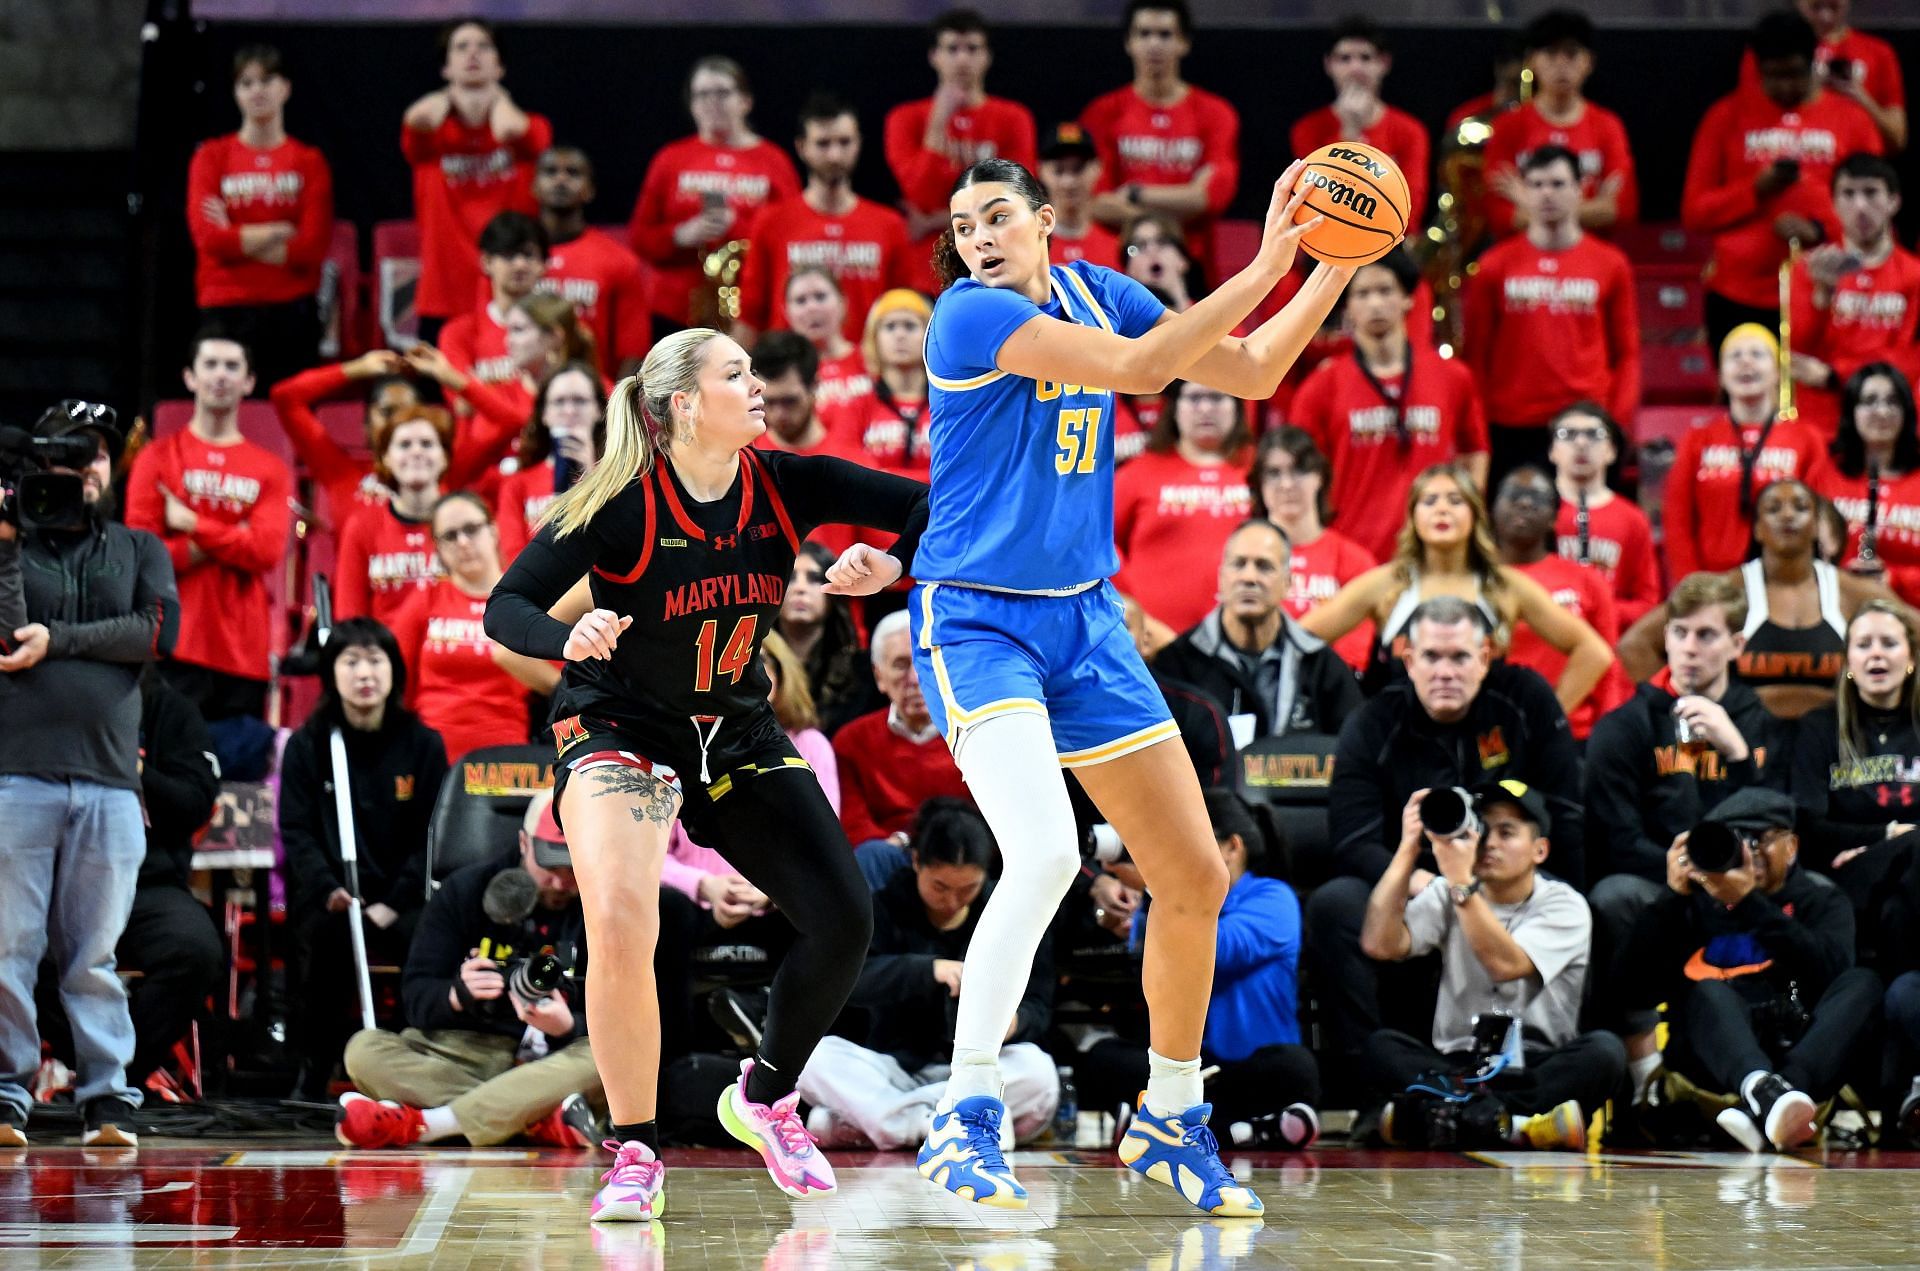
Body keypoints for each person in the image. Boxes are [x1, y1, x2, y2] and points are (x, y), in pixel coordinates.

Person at [885, 152, 1353, 1217]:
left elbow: (1252, 372)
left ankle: (1172, 1113)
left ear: (1046, 219)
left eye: (998, 216)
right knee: (1047, 849)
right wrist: (1272, 254)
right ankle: (965, 1112)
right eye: (962, 226)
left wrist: (1331, 266)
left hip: (1087, 622)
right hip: (977, 618)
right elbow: (1145, 373)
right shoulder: (965, 317)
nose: (979, 237)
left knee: (1193, 874)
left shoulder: (1101, 289)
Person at [483, 328, 932, 1221]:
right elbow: (505, 605)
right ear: (683, 403)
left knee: (845, 917)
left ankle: (763, 1096)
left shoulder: (786, 482)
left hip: (732, 728)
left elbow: (933, 501)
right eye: (738, 373)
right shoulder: (620, 505)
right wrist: (564, 635)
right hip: (620, 727)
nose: (760, 386)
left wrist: (894, 563)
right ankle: (636, 1147)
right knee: (620, 913)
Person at [0, 401, 178, 1149]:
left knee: (94, 950)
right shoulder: (13, 546)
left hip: (108, 779)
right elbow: (7, 639)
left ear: (111, 467)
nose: (81, 471)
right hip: (18, 772)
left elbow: (154, 630)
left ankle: (107, 1093)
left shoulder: (140, 546)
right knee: (7, 945)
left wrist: (60, 640)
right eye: (65, 459)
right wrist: (7, 545)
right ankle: (8, 1091)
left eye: (96, 455)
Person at [1305, 600, 1586, 1072]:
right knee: (1335, 903)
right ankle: (1372, 1084)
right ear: (1408, 659)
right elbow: (1353, 839)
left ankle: (1536, 1058)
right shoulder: (1373, 722)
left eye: (1459, 657)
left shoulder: (1525, 700)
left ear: (1486, 656)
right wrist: (1421, 877)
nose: (1445, 672)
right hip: (1419, 875)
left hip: (1513, 873)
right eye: (1432, 657)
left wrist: (1531, 884)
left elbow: (1567, 813)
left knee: (1588, 902)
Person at [1585, 572, 1784, 1098]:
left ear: (1737, 644)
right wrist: (1687, 876)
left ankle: (1801, 1065)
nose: (1689, 649)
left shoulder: (1760, 724)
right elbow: (1616, 838)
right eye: (1679, 633)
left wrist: (1738, 755)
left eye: (1706, 635)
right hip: (1660, 886)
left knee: (1823, 898)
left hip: (1743, 886)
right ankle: (1643, 1074)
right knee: (1614, 896)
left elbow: (1778, 823)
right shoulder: (1626, 725)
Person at [1360, 780, 1623, 1150]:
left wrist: (1461, 883)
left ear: (1540, 850)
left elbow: (1506, 964)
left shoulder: (1565, 904)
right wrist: (1407, 849)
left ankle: (1442, 1118)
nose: (1491, 843)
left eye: (1507, 832)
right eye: (1484, 829)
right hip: (1457, 1066)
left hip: (1533, 1065)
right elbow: (1379, 944)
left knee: (1604, 1053)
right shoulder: (1449, 889)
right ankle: (1515, 1126)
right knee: (1381, 1046)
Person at [336, 790, 600, 1150]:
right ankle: (534, 1118)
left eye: (571, 869)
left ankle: (426, 1124)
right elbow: (415, 997)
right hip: (460, 1054)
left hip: (552, 1062)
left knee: (604, 1061)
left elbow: (623, 1017)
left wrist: (568, 1026)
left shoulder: (600, 903)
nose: (560, 882)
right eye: (550, 866)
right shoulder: (465, 890)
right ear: (524, 843)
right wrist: (456, 995)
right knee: (363, 1050)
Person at [1620, 788, 1879, 1153]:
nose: (1748, 853)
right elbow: (1633, 991)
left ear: (1791, 847)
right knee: (1706, 990)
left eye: (1759, 840)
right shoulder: (1691, 905)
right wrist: (1671, 898)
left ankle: (1772, 1096)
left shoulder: (1820, 899)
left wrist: (1750, 904)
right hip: (1714, 1059)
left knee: (1862, 982)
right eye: (1736, 840)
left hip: (1796, 1051)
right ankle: (1766, 1094)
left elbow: (1829, 974)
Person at [798, 799, 1059, 1150]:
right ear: (917, 861)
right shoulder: (882, 906)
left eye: (967, 889)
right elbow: (850, 982)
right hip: (892, 1069)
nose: (952, 900)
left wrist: (1014, 1022)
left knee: (1038, 1071)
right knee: (815, 1057)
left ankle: (886, 1125)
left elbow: (1039, 1003)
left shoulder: (1006, 915)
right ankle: (953, 1125)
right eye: (940, 887)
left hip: (977, 1072)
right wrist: (928, 970)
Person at [1077, 790, 1321, 1149]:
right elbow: (1152, 961)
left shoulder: (1273, 897)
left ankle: (1165, 1126)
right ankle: (1243, 1132)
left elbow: (1210, 950)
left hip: (1244, 1065)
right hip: (1182, 1065)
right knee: (1101, 1060)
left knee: (1295, 1068)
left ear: (1232, 847)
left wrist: (1157, 886)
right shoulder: (1167, 900)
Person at [279, 617, 447, 1100]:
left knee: (428, 940)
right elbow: (297, 831)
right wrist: (329, 889)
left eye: (375, 660)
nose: (364, 673)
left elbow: (430, 838)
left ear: (394, 669)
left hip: (400, 896)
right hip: (334, 895)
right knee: (320, 941)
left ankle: (416, 1065)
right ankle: (313, 1070)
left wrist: (392, 902)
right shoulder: (308, 745)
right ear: (332, 673)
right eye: (351, 662)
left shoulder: (423, 745)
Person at [1299, 464, 1614, 713]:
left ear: (1475, 515)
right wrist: (1343, 712)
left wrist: (1546, 720)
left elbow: (1594, 653)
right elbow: (1296, 641)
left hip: (1484, 750)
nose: (1442, 510)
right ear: (1412, 516)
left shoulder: (1505, 586)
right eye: (1430, 501)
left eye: (1455, 500)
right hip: (1400, 748)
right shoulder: (1385, 584)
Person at [1683, 10, 1881, 352]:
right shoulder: (1724, 117)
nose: (1784, 87)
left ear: (1813, 61)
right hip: (1738, 294)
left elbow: (1876, 212)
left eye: (1794, 74)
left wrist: (1819, 232)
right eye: (1772, 77)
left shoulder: (1852, 121)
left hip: (1828, 291)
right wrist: (1755, 190)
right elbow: (1695, 212)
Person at [1624, 477, 1900, 721]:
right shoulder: (1728, 589)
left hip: (1831, 748)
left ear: (1817, 525)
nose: (1788, 515)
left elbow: (1912, 638)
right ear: (1757, 528)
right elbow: (1635, 646)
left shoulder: (1851, 592)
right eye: (1773, 508)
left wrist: (1892, 707)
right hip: (1744, 746)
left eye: (1801, 507)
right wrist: (1679, 706)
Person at [125, 333, 293, 722]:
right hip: (174, 645)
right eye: (211, 365)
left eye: (233, 366)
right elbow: (144, 556)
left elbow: (266, 552)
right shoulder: (156, 458)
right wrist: (230, 536)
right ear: (190, 377)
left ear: (249, 382)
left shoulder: (270, 468)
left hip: (243, 653)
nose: (221, 375)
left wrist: (191, 524)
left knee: (238, 778)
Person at [1288, 247, 1489, 562]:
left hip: (1434, 554)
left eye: (1385, 290)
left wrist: (1467, 511)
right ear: (1347, 307)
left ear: (1408, 298)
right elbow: (1298, 471)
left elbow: (1474, 449)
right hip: (1352, 552)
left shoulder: (1452, 377)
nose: (1376, 304)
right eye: (1363, 294)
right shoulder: (1320, 388)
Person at [1462, 145, 1639, 484]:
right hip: (1511, 427)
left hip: (1585, 425)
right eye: (1536, 184)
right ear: (1523, 193)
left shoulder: (1611, 264)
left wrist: (1616, 423)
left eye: (1557, 184)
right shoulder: (1492, 266)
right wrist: (1477, 431)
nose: (1546, 194)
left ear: (1579, 189)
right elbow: (1476, 357)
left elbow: (1628, 354)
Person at [185, 44, 333, 388]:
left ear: (285, 88)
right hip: (225, 308)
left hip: (292, 311)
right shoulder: (212, 156)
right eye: (246, 83)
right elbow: (209, 240)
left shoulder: (308, 161)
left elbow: (310, 248)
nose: (257, 91)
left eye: (266, 80)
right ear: (236, 93)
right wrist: (279, 230)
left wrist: (237, 235)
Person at [400, 18, 551, 343]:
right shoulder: (433, 135)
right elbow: (418, 117)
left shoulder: (532, 126)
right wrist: (451, 95)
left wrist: (495, 98)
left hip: (510, 292)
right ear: (445, 67)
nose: (473, 54)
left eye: (484, 46)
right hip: (443, 294)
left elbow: (508, 130)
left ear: (500, 66)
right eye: (461, 47)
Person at [627, 56, 801, 329]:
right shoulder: (670, 159)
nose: (712, 102)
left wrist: (739, 228)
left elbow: (792, 238)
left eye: (722, 93)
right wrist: (679, 235)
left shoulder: (773, 160)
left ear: (745, 101)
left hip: (749, 311)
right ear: (691, 105)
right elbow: (639, 237)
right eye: (702, 94)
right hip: (677, 309)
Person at [1153, 519, 1362, 742]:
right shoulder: (1176, 666)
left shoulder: (1322, 667)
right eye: (1239, 564)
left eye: (1264, 566)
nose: (1249, 577)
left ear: (1287, 583)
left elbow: (1355, 752)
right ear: (1221, 578)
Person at [734, 94, 915, 345]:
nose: (834, 155)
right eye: (823, 143)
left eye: (844, 142)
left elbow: (904, 310)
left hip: (866, 377)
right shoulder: (771, 221)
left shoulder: (890, 225)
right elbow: (751, 314)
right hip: (791, 374)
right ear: (801, 147)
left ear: (859, 143)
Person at [1789, 601, 1920, 948]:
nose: (1876, 654)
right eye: (1864, 645)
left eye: (1888, 644)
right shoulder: (1819, 729)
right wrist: (1887, 835)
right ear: (1849, 662)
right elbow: (1807, 825)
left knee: (1900, 905)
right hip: (1847, 876)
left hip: (1911, 887)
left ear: (1911, 659)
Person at [389, 493, 558, 756]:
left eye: (471, 529)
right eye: (450, 536)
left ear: (492, 531)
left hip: (506, 754)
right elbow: (396, 678)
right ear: (439, 548)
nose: (463, 542)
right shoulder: (426, 598)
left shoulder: (526, 601)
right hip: (431, 752)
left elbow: (558, 682)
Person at [118, 669, 223, 1092]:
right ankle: (93, 1068)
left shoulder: (171, 708)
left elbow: (196, 802)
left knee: (196, 950)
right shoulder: (39, 699)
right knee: (16, 950)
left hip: (149, 882)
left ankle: (121, 1075)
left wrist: (136, 768)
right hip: (59, 881)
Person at [1080, 1, 1239, 278]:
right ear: (1129, 43)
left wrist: (1134, 193)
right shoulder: (1102, 113)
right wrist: (1169, 215)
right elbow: (1095, 202)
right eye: (1144, 34)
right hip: (1121, 263)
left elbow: (1209, 197)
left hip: (1194, 265)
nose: (1154, 44)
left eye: (1165, 34)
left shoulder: (1216, 113)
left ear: (1184, 43)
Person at [885, 9, 1037, 293]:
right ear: (934, 55)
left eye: (972, 49)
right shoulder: (904, 118)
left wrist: (932, 220)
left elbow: (1016, 198)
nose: (963, 59)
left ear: (987, 56)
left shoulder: (1014, 118)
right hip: (926, 273)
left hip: (997, 266)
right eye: (952, 49)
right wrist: (938, 121)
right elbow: (921, 193)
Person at [1663, 325, 1826, 578]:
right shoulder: (1697, 440)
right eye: (1734, 356)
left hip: (1783, 580)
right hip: (1713, 583)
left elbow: (1819, 518)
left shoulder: (1807, 439)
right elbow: (1677, 522)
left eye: (1758, 354)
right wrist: (1693, 584)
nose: (1745, 362)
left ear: (1777, 372)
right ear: (1721, 375)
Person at [833, 611, 972, 888]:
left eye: (925, 662)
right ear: (879, 676)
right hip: (887, 863)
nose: (915, 678)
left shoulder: (976, 735)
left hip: (961, 859)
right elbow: (854, 826)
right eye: (900, 665)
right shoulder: (851, 741)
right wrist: (905, 845)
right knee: (871, 857)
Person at [1788, 156, 1920, 437]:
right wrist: (1821, 296)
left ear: (1894, 201)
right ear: (1834, 204)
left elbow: (1908, 357)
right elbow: (1799, 350)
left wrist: (1834, 375)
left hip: (1890, 419)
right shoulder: (1807, 268)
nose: (1860, 206)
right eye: (1848, 194)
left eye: (1871, 193)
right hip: (1822, 423)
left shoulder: (1914, 275)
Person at [1492, 467, 1626, 742]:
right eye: (1514, 495)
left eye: (1537, 498)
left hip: (1572, 732)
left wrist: (1609, 737)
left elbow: (1609, 669)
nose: (1525, 503)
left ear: (1554, 518)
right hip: (1491, 731)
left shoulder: (1588, 581)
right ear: (1491, 510)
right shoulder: (1473, 580)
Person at [1481, 10, 1638, 240]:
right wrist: (1591, 208)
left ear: (1589, 62)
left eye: (1572, 54)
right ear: (1532, 61)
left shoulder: (1608, 126)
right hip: (1523, 257)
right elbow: (1501, 215)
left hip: (1590, 258)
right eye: (1551, 53)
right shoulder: (1507, 127)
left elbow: (1621, 211)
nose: (1562, 63)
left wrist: (1529, 202)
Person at [1113, 380, 1254, 633]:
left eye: (1217, 397)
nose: (1205, 409)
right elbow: (1098, 539)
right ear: (1174, 407)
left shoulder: (1262, 471)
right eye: (1194, 398)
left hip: (1244, 640)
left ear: (1237, 406)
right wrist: (1127, 597)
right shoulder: (1138, 473)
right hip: (1153, 642)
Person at [1250, 426, 1377, 672]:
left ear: (1319, 477)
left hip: (1328, 689)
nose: (1286, 484)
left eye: (1298, 470)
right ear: (1259, 484)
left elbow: (1353, 655)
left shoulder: (1355, 560)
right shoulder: (1240, 557)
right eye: (1274, 473)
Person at [1288, 16, 1430, 231]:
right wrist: (1349, 133)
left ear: (1384, 63)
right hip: (1326, 235)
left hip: (1389, 240)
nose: (1356, 68)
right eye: (1344, 59)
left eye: (1365, 58)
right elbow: (1316, 206)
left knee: (1374, 267)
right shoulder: (1308, 129)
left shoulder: (1410, 130)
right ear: (1329, 65)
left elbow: (1412, 213)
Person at [533, 146, 652, 378]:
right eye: (550, 172)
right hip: (517, 397)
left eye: (573, 173)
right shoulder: (508, 257)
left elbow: (633, 351)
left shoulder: (619, 260)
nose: (561, 179)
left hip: (591, 397)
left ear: (589, 190)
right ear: (534, 186)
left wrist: (615, 408)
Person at [332, 405, 454, 627]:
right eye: (404, 445)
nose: (416, 452)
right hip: (387, 656)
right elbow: (350, 620)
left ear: (445, 457)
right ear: (386, 458)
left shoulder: (466, 522)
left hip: (448, 653)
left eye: (427, 444)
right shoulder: (361, 526)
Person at [1810, 365, 1920, 604]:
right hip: (1835, 607)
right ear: (1851, 411)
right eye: (1869, 401)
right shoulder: (1825, 473)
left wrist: (1895, 579)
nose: (1882, 411)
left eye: (1893, 401)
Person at [269, 351, 427, 516]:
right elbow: (285, 397)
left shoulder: (441, 473)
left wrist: (446, 375)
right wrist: (357, 368)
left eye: (410, 414)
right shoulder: (339, 471)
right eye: (387, 412)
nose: (398, 422)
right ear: (366, 426)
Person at [1547, 403, 1661, 628]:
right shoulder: (1535, 513)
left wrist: (1597, 610)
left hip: (1609, 641)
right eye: (1568, 434)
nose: (1581, 443)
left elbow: (1648, 603)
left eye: (1594, 434)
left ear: (1611, 451)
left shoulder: (1633, 519)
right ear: (1552, 450)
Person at [1738, 0, 1907, 152]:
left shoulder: (1878, 53)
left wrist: (1860, 97)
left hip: (1853, 164)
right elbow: (1747, 121)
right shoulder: (1768, 51)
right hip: (1784, 151)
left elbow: (1897, 139)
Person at [495, 362, 604, 561]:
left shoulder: (619, 476)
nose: (569, 411)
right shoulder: (516, 484)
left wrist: (592, 477)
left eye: (580, 401)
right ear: (544, 414)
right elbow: (514, 559)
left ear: (598, 410)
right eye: (559, 401)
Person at [436, 211, 550, 399]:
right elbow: (462, 403)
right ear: (486, 262)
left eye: (529, 255)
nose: (520, 264)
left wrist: (483, 389)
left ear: (543, 265)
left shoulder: (558, 331)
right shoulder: (458, 334)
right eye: (509, 255)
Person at [779, 542, 880, 735]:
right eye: (790, 578)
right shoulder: (755, 663)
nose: (800, 588)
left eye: (814, 578)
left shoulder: (862, 670)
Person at [784, 269, 872, 415]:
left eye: (820, 297)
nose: (812, 308)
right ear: (786, 311)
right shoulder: (782, 371)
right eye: (801, 300)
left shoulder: (872, 360)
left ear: (843, 303)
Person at [1037, 123, 1120, 270]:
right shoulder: (1029, 246)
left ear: (1098, 168)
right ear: (1041, 171)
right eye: (1058, 170)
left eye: (1078, 169)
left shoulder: (1117, 248)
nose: (1068, 182)